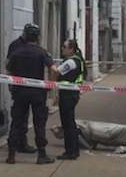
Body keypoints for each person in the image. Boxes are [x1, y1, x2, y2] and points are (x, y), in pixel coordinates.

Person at [6, 23, 58, 164]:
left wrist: (12, 87)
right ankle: (41, 155)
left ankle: (11, 155)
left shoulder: (16, 52)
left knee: (16, 122)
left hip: (19, 92)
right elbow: (53, 69)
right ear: (38, 37)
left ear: (25, 35)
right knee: (39, 123)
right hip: (37, 93)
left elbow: (8, 71)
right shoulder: (41, 52)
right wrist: (50, 86)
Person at [55, 40, 86, 160]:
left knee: (68, 124)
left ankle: (71, 152)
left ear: (71, 49)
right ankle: (73, 150)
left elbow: (56, 72)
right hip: (71, 94)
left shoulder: (72, 62)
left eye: (64, 47)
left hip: (68, 95)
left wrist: (52, 82)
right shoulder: (77, 60)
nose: (62, 49)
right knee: (69, 123)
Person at [6, 34, 37, 154]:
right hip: (22, 88)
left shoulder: (16, 45)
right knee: (20, 119)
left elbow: (8, 66)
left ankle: (16, 146)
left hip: (20, 88)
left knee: (19, 119)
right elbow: (9, 66)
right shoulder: (16, 46)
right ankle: (19, 144)